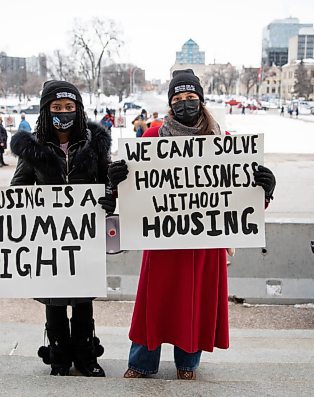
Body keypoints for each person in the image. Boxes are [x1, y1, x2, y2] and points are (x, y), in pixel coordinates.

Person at [107, 69, 276, 381]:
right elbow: (134, 193)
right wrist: (116, 182)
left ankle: (188, 363)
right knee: (153, 302)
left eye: (191, 98)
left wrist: (264, 189)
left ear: (201, 100)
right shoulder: (152, 138)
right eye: (178, 99)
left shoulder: (223, 142)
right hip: (163, 241)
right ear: (171, 104)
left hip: (204, 242)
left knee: (195, 303)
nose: (185, 103)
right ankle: (142, 362)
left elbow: (239, 200)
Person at [0, 80, 116, 378]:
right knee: (54, 303)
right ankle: (59, 357)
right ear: (45, 110)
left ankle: (86, 357)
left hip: (84, 239)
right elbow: (15, 196)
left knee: (82, 303)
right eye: (56, 107)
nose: (63, 112)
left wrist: (111, 192)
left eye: (68, 107)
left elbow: (107, 184)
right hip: (48, 240)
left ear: (77, 109)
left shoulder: (95, 143)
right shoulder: (32, 148)